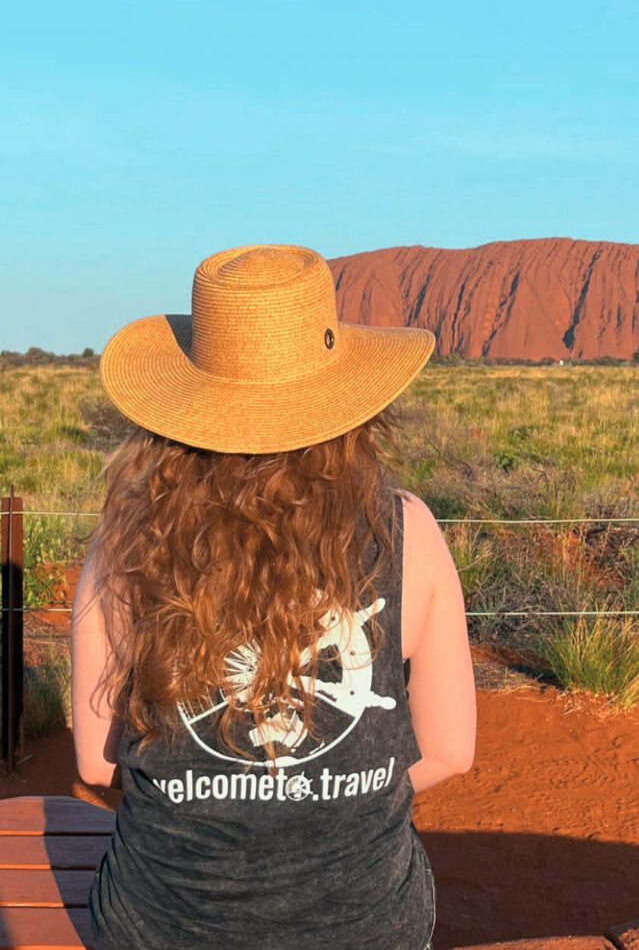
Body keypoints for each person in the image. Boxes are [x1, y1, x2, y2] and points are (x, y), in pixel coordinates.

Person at [70, 244, 477, 950]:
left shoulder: (124, 540)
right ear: (348, 400)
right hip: (365, 926)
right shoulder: (406, 528)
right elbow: (449, 753)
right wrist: (323, 796)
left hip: (162, 928)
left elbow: (96, 763)